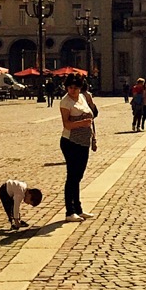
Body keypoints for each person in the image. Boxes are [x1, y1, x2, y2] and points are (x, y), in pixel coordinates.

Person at [56, 78, 100, 220]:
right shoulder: (65, 102)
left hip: (84, 143)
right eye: (70, 87)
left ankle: (79, 209)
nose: (73, 90)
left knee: (79, 176)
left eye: (75, 87)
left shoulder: (82, 97)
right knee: (72, 177)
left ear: (80, 88)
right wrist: (82, 123)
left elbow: (91, 118)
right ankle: (70, 211)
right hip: (70, 142)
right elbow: (66, 124)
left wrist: (93, 138)